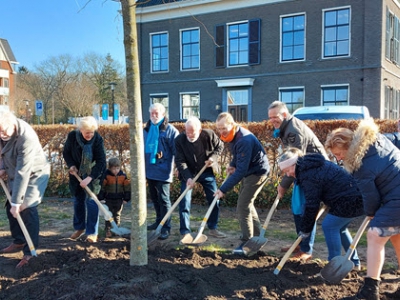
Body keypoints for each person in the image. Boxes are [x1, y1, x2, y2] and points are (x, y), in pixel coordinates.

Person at [325, 119, 400, 300]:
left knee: (375, 235)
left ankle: (369, 291)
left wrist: (371, 212)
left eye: (339, 154)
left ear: (348, 147)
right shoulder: (378, 140)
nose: (339, 159)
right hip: (395, 194)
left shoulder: (361, 164)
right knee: (397, 237)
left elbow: (370, 196)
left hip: (397, 197)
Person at [277, 147, 364, 269]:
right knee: (340, 228)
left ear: (294, 164)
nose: (288, 174)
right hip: (354, 196)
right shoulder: (309, 166)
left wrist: (305, 229)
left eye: (288, 170)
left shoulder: (308, 174)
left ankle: (333, 266)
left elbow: (312, 205)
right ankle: (354, 263)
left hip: (349, 200)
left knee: (329, 226)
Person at [268, 101, 328, 261]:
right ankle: (299, 242)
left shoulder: (293, 131)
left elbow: (296, 161)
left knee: (305, 209)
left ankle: (306, 249)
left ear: (285, 115)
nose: (272, 120)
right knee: (296, 207)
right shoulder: (285, 128)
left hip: (313, 172)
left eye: (275, 117)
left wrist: (282, 185)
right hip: (303, 172)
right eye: (270, 118)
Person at [0, 111, 50, 268]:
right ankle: (19, 241)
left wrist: (17, 202)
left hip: (34, 174)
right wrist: (1, 167)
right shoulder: (3, 131)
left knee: (26, 207)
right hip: (14, 170)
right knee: (10, 207)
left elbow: (23, 171)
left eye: (3, 130)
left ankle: (30, 252)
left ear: (12, 123)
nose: (1, 133)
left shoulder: (26, 137)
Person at [214, 112, 270, 253]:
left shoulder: (244, 139)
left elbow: (241, 171)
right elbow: (237, 155)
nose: (221, 131)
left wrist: (223, 189)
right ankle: (257, 237)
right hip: (251, 170)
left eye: (223, 128)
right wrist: (233, 164)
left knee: (243, 206)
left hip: (257, 173)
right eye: (218, 129)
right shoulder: (234, 135)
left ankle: (247, 241)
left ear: (232, 124)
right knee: (247, 204)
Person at [175, 116, 225, 242]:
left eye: (193, 132)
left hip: (206, 170)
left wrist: (213, 158)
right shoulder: (179, 140)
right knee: (184, 201)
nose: (190, 135)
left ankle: (213, 227)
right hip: (189, 172)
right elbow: (180, 161)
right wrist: (188, 178)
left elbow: (220, 146)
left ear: (200, 130)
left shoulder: (208, 135)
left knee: (214, 199)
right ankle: (185, 231)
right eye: (188, 132)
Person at [63, 116, 106, 243]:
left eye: (92, 132)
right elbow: (66, 153)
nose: (90, 135)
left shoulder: (97, 139)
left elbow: (101, 161)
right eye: (87, 132)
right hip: (76, 174)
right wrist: (71, 165)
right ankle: (79, 227)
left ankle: (92, 232)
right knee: (78, 201)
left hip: (94, 174)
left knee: (92, 202)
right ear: (81, 130)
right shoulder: (72, 137)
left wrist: (90, 177)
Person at [144, 103, 179, 240]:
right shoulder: (146, 129)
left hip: (163, 171)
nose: (153, 115)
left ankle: (166, 227)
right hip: (149, 170)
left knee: (164, 199)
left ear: (163, 114)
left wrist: (177, 167)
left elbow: (177, 152)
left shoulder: (171, 131)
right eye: (151, 113)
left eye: (156, 113)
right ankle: (158, 221)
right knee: (154, 198)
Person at [98, 157, 130, 238]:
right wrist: (101, 198)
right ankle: (108, 230)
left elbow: (127, 187)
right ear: (110, 168)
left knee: (117, 215)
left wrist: (126, 198)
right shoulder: (106, 176)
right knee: (108, 214)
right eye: (113, 169)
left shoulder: (123, 176)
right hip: (108, 199)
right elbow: (102, 187)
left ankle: (117, 229)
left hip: (119, 199)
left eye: (117, 168)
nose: (116, 170)